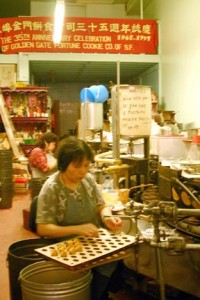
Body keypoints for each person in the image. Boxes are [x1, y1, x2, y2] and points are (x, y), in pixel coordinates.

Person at [35, 136, 122, 300]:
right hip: (68, 246)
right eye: (77, 166)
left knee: (111, 262)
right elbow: (43, 228)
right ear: (63, 164)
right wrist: (77, 229)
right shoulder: (52, 188)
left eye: (87, 165)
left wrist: (107, 218)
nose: (83, 171)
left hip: (93, 239)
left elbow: (101, 206)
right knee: (79, 286)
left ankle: (98, 293)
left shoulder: (88, 180)